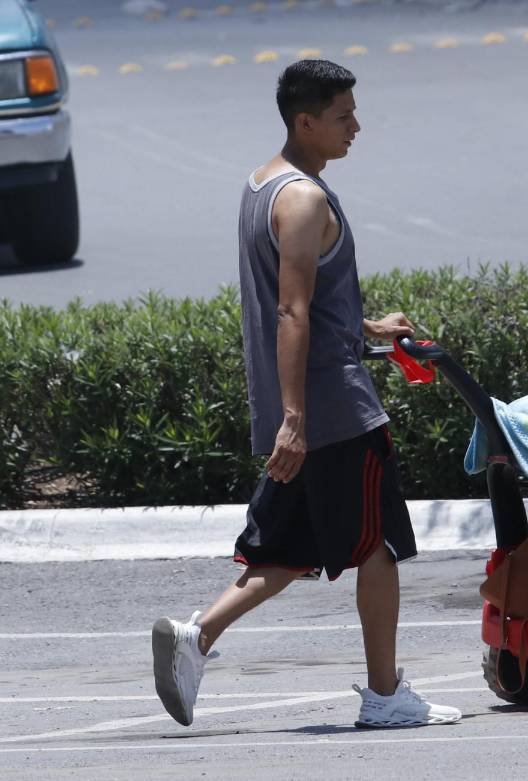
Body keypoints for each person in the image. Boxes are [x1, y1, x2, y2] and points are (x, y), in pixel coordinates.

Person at [150, 60, 461, 730]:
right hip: (333, 410)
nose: (357, 127)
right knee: (377, 546)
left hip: (301, 404)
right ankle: (385, 696)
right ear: (306, 121)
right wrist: (297, 420)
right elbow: (291, 313)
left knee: (290, 549)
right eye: (344, 115)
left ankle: (193, 637)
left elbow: (304, 302)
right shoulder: (305, 200)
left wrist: (369, 327)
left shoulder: (261, 185)